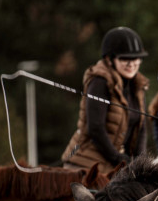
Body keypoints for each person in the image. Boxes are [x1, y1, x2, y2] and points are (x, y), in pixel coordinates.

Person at [61, 26, 149, 174]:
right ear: (109, 59)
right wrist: (120, 160)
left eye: (136, 58)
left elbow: (141, 128)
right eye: (125, 58)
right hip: (86, 165)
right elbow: (96, 128)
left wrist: (141, 164)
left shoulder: (138, 85)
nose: (132, 63)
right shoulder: (99, 82)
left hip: (115, 165)